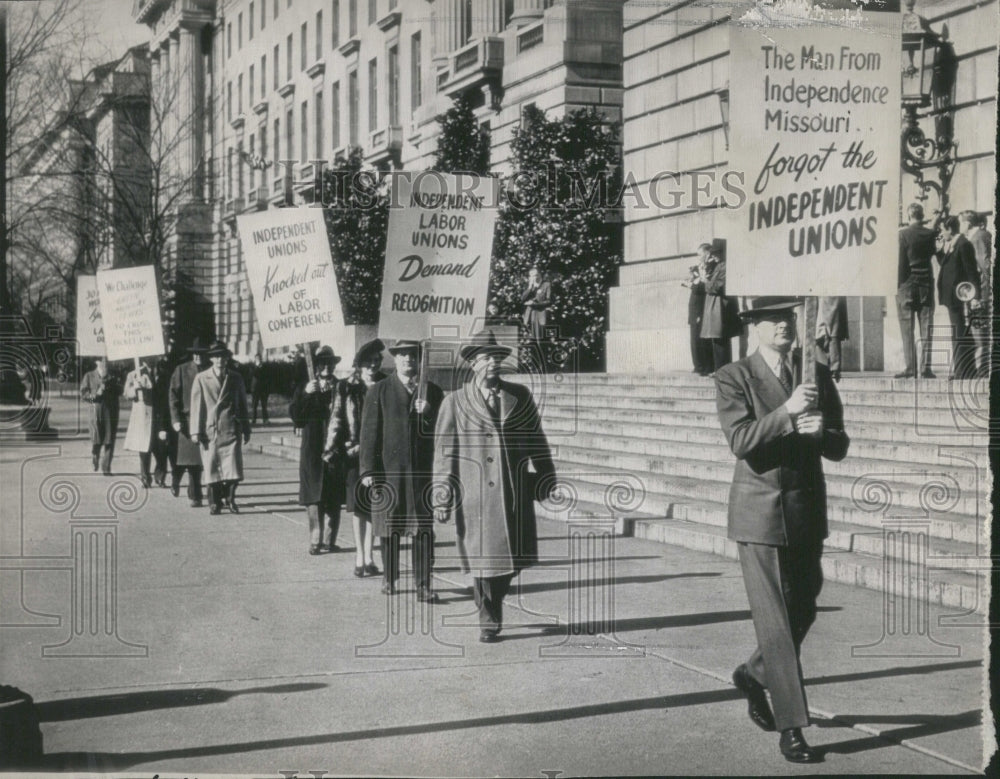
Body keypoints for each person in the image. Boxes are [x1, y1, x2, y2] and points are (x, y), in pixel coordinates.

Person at [715, 297, 849, 765]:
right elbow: (741, 441)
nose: (785, 326)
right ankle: (793, 727)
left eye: (789, 318)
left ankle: (753, 675)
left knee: (805, 606)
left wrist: (819, 433)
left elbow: (840, 444)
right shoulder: (734, 376)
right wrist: (788, 412)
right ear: (754, 326)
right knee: (775, 624)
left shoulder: (816, 373)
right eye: (774, 319)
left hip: (805, 508)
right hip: (759, 513)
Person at [433, 330, 556, 643]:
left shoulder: (520, 396)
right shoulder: (455, 402)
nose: (493, 363)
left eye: (497, 357)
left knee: (509, 563)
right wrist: (441, 495)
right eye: (486, 358)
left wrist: (545, 475)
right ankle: (489, 618)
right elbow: (444, 452)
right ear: (473, 363)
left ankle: (490, 600)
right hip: (475, 497)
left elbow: (536, 440)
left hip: (513, 492)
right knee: (485, 561)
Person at [359, 339, 443, 600]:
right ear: (394, 359)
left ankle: (423, 585)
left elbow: (443, 433)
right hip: (389, 472)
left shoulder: (432, 392)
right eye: (402, 355)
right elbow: (369, 434)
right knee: (389, 527)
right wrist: (368, 470)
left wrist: (429, 414)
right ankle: (390, 577)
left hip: (422, 473)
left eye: (413, 355)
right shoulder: (380, 391)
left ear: (420, 359)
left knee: (423, 529)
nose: (408, 359)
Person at [325, 338, 387, 577]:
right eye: (368, 361)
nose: (372, 365)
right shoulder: (346, 386)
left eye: (376, 361)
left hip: (379, 454)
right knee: (358, 506)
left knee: (373, 506)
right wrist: (331, 450)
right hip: (354, 454)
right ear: (359, 363)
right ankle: (359, 556)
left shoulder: (385, 383)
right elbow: (337, 418)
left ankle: (369, 557)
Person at [289, 346, 342, 555]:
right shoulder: (306, 387)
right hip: (312, 447)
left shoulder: (341, 387)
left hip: (335, 446)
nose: (327, 367)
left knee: (333, 495)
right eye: (322, 363)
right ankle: (315, 539)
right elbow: (297, 418)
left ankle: (329, 540)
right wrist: (306, 394)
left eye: (330, 363)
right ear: (317, 366)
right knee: (313, 495)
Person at [191, 340, 251, 515]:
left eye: (223, 356)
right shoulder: (201, 378)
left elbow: (242, 404)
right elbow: (196, 407)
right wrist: (195, 431)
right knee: (212, 468)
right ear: (211, 359)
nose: (220, 360)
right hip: (210, 430)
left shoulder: (235, 377)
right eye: (216, 357)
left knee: (233, 468)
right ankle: (215, 502)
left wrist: (246, 427)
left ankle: (231, 499)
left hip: (231, 428)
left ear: (227, 358)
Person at [936, 215, 981, 381]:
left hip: (959, 296)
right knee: (960, 332)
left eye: (942, 230)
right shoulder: (953, 244)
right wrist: (940, 251)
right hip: (952, 298)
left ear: (950, 229)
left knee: (959, 332)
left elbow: (971, 272)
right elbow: (946, 266)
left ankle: (963, 371)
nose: (941, 233)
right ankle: (966, 370)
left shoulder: (963, 245)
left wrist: (975, 296)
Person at [896, 202, 937, 379]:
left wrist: (898, 285)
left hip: (906, 285)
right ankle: (925, 368)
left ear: (908, 216)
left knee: (907, 328)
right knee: (926, 328)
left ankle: (910, 368)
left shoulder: (903, 234)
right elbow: (933, 253)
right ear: (921, 215)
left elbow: (900, 263)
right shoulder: (929, 234)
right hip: (925, 284)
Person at [169, 339, 208, 507]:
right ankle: (191, 492)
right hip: (186, 421)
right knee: (190, 461)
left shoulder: (210, 370)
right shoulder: (181, 370)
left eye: (201, 353)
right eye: (196, 353)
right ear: (193, 354)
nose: (198, 356)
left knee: (199, 461)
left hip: (205, 421)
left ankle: (196, 493)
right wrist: (176, 419)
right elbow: (173, 396)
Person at [700, 238, 741, 374]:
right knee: (716, 339)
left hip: (721, 307)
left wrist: (706, 281)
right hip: (715, 306)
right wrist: (705, 265)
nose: (713, 256)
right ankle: (720, 370)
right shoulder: (718, 265)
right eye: (712, 254)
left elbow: (716, 286)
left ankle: (722, 370)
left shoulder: (725, 266)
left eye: (716, 253)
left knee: (720, 338)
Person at [959, 210, 992, 378]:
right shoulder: (984, 235)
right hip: (982, 293)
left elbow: (984, 266)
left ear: (968, 223)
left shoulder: (977, 238)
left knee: (979, 332)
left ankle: (981, 369)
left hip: (980, 294)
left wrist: (978, 295)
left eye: (961, 222)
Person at [80, 357, 121, 475]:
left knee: (109, 439)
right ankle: (95, 454)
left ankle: (106, 467)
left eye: (107, 363)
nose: (105, 366)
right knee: (97, 437)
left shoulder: (113, 377)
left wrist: (111, 386)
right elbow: (83, 395)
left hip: (111, 410)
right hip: (95, 410)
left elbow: (120, 390)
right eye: (102, 363)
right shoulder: (89, 376)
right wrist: (95, 394)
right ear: (97, 363)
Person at [123, 360, 156, 487]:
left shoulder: (160, 370)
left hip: (159, 412)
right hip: (142, 413)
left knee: (160, 446)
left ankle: (160, 473)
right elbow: (126, 394)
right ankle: (145, 476)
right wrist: (135, 388)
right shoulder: (133, 374)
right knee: (144, 447)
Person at [683, 244, 714, 376]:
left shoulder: (711, 268)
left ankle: (706, 366)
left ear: (707, 254)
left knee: (702, 339)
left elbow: (702, 287)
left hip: (702, 306)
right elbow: (688, 281)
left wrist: (695, 284)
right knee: (694, 338)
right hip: (694, 306)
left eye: (700, 254)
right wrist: (692, 282)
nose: (698, 257)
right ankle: (698, 365)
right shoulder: (696, 268)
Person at [521, 267, 552, 371]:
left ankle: (543, 367)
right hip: (530, 316)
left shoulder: (546, 285)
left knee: (540, 341)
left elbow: (549, 301)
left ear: (540, 275)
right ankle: (535, 367)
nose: (534, 277)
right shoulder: (530, 287)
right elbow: (522, 299)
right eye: (531, 275)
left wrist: (535, 304)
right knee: (532, 342)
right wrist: (530, 288)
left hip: (540, 314)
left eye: (535, 275)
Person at [150, 358, 174, 487]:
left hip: (162, 420)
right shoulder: (146, 378)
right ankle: (155, 474)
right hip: (151, 420)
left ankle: (160, 475)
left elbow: (164, 405)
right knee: (155, 449)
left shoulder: (165, 381)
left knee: (162, 450)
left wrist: (163, 426)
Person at [815, 297, 849, 382]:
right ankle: (832, 367)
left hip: (828, 301)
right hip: (824, 302)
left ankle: (834, 368)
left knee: (832, 334)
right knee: (828, 334)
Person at [249, 353, 270, 424]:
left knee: (264, 405)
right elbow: (253, 374)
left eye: (259, 358)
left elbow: (267, 376)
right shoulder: (252, 366)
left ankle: (265, 419)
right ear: (255, 359)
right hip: (255, 388)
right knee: (254, 405)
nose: (259, 360)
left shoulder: (265, 366)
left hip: (264, 389)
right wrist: (257, 367)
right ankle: (253, 419)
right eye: (257, 358)